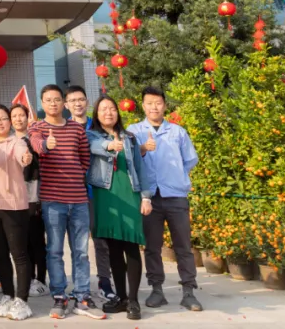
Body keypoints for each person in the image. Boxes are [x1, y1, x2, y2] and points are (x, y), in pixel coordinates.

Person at [29, 85, 103, 320]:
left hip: (79, 200)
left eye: (57, 99)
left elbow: (85, 158)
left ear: (64, 103)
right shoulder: (37, 127)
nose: (53, 103)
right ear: (42, 103)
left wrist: (75, 174)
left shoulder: (76, 129)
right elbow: (36, 145)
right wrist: (46, 146)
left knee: (81, 252)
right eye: (48, 100)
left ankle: (82, 296)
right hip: (52, 202)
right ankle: (59, 296)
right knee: (54, 251)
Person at [127, 86, 203, 312]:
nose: (154, 107)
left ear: (165, 106)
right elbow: (129, 160)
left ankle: (188, 291)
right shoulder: (134, 131)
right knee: (152, 246)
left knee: (184, 246)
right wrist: (142, 148)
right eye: (149, 103)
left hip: (176, 195)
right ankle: (157, 290)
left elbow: (190, 160)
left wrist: (176, 176)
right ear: (143, 106)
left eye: (158, 103)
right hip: (149, 197)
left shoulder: (178, 132)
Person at [87, 96, 152, 321]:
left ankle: (133, 300)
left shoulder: (130, 138)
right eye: (103, 109)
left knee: (131, 247)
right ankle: (121, 298)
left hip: (130, 195)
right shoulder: (91, 135)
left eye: (112, 109)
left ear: (118, 112)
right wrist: (109, 145)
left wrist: (146, 198)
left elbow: (141, 169)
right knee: (113, 249)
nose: (108, 113)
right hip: (106, 197)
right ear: (97, 114)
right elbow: (94, 147)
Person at [0, 105, 35, 321]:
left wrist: (26, 158)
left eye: (3, 118)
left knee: (18, 254)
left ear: (10, 122)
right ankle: (8, 296)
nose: (0, 122)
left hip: (14, 206)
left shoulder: (16, 142)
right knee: (0, 254)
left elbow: (23, 155)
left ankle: (22, 300)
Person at [65, 85, 112, 303]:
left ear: (87, 101)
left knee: (101, 240)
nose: (77, 103)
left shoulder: (99, 126)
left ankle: (105, 282)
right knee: (77, 244)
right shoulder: (63, 128)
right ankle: (79, 286)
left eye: (81, 99)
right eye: (73, 100)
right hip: (73, 192)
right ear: (67, 105)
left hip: (98, 191)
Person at [10, 104, 47, 298]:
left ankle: (40, 280)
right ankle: (28, 278)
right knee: (22, 242)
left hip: (33, 195)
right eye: (14, 116)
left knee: (37, 241)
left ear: (28, 117)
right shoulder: (8, 141)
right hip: (14, 198)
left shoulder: (35, 140)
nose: (18, 119)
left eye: (21, 115)